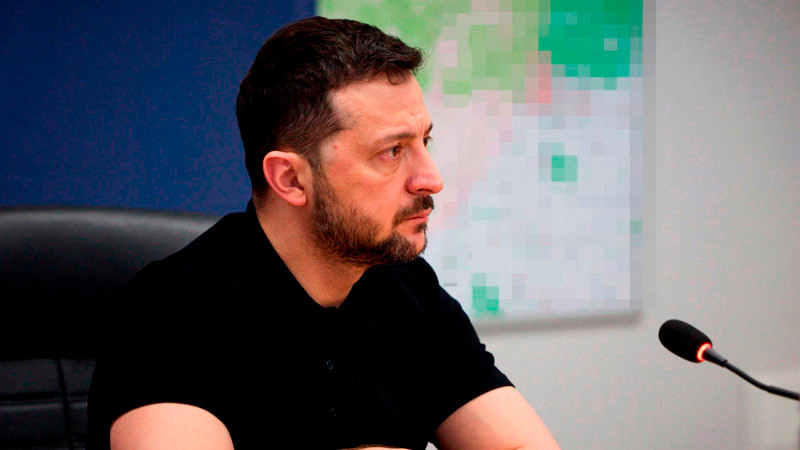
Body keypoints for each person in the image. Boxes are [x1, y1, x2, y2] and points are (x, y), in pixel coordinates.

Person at [87, 16, 559, 450]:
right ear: (291, 179)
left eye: (424, 141)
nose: (431, 179)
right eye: (392, 151)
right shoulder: (171, 310)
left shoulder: (409, 289)